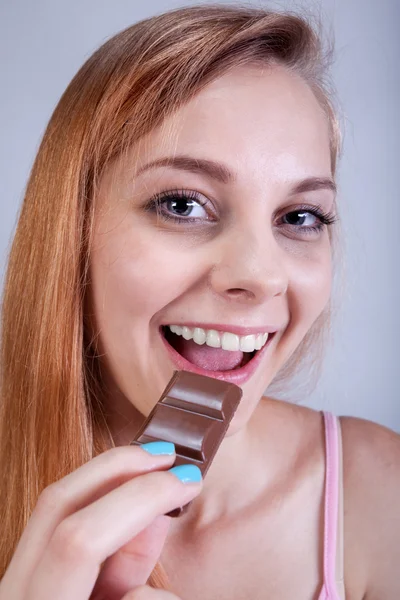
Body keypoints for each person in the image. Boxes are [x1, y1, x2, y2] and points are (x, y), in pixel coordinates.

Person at [0, 3, 399, 599]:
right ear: (72, 229)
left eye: (299, 216)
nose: (261, 276)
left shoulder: (381, 493)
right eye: (183, 204)